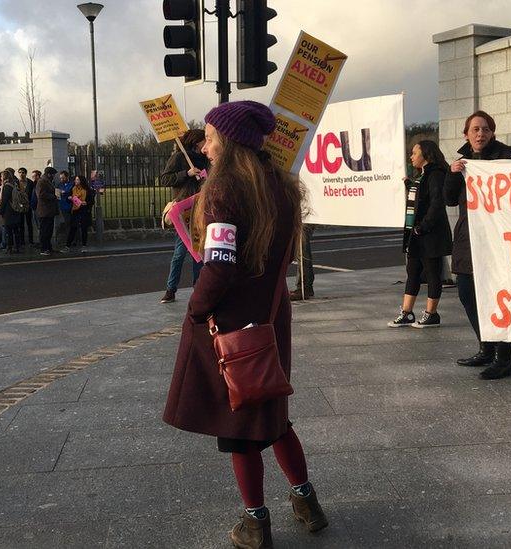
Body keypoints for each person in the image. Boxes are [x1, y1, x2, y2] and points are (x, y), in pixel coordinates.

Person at [163, 101, 327, 549]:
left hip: (233, 321)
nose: (204, 145)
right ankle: (306, 502)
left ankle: (255, 523)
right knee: (273, 413)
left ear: (231, 142)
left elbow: (218, 267)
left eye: (211, 136)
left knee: (238, 427)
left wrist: (195, 309)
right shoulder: (282, 187)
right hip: (272, 316)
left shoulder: (223, 191)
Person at [444, 110, 511, 380]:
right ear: (466, 134)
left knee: (496, 298)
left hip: (497, 239)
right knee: (467, 294)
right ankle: (486, 348)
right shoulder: (462, 163)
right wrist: (453, 173)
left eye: (486, 129)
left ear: (493, 133)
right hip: (469, 238)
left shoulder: (508, 156)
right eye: (475, 129)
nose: (480, 134)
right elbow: (450, 199)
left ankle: (505, 359)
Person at [388, 140, 453, 328]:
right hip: (417, 234)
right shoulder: (422, 175)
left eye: (414, 153)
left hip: (430, 234)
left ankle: (432, 314)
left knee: (432, 273)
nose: (411, 157)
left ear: (425, 154)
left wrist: (422, 227)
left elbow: (437, 205)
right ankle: (407, 313)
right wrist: (410, 186)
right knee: (413, 272)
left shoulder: (436, 175)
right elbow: (421, 200)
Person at [159, 128, 208, 304]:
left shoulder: (205, 158)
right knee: (180, 253)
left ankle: (198, 287)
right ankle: (171, 289)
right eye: (205, 140)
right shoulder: (180, 157)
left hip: (200, 209)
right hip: (184, 210)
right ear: (197, 142)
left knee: (199, 251)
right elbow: (164, 179)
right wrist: (186, 174)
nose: (207, 145)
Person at [0, 169, 23, 254]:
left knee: (9, 232)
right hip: (16, 210)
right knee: (16, 231)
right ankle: (17, 247)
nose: (0, 178)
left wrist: (0, 211)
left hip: (9, 212)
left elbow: (4, 201)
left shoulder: (6, 186)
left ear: (4, 177)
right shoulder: (14, 184)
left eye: (1, 176)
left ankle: (9, 248)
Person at [34, 167, 59, 256]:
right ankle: (44, 248)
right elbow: (41, 195)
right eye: (53, 175)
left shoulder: (47, 181)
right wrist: (54, 196)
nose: (54, 176)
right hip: (44, 210)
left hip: (49, 210)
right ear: (49, 174)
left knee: (49, 230)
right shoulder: (41, 181)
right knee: (44, 230)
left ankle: (48, 247)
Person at [65, 174, 93, 250]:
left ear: (81, 181)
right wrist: (69, 198)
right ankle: (67, 245)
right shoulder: (73, 189)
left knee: (84, 229)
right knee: (73, 228)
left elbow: (91, 201)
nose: (75, 181)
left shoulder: (87, 190)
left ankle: (84, 245)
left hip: (84, 211)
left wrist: (86, 203)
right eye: (75, 180)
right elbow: (67, 198)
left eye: (77, 180)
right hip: (75, 211)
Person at [290, 225, 315, 301]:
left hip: (303, 219)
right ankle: (305, 287)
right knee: (301, 251)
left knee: (302, 251)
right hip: (303, 219)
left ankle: (304, 288)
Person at [56, 170, 74, 251]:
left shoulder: (72, 184)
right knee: (68, 224)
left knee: (70, 224)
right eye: (60, 178)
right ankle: (69, 241)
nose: (61, 179)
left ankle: (70, 241)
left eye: (63, 178)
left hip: (71, 206)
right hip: (63, 207)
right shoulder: (59, 184)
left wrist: (65, 192)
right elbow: (57, 193)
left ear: (67, 177)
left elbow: (71, 193)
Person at [18, 167, 34, 245]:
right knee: (21, 224)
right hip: (20, 206)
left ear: (26, 173)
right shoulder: (16, 183)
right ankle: (21, 241)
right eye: (20, 172)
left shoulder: (30, 183)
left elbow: (33, 194)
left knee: (29, 223)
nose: (21, 174)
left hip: (28, 206)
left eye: (23, 172)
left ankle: (31, 241)